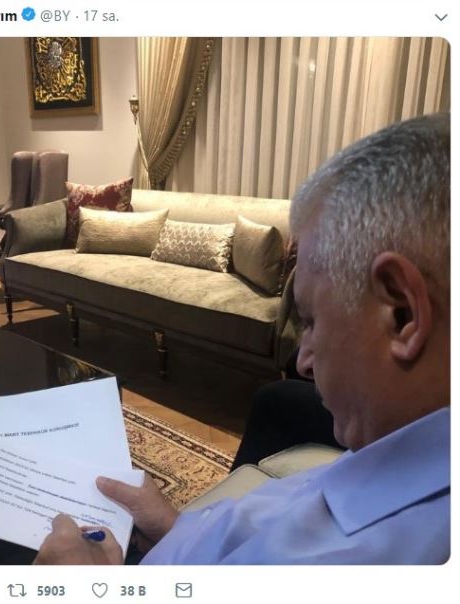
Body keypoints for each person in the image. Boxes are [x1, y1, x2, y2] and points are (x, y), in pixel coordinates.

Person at [34, 113, 450, 565]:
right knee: (280, 400)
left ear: (402, 314)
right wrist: (175, 528)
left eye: (311, 321)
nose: (304, 360)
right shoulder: (392, 449)